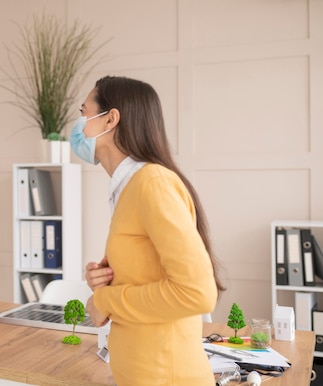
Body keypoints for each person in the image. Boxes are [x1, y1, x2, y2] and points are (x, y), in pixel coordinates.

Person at [71, 76, 225, 385]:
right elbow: (149, 278)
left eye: (83, 111)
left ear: (110, 119)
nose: (79, 123)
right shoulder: (130, 187)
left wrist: (105, 302)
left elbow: (197, 293)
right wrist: (106, 281)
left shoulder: (152, 184)